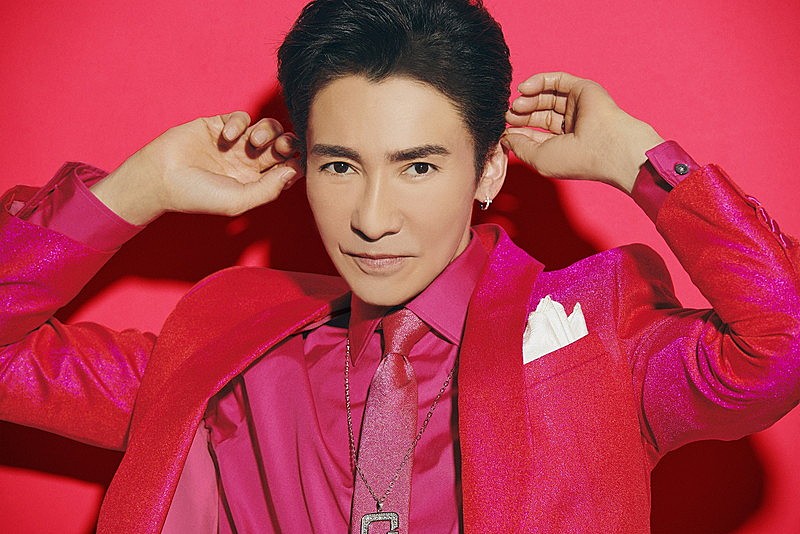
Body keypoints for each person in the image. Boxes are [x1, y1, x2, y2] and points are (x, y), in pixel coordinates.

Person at [1, 0, 798, 532]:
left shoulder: (597, 341)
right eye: (340, 166)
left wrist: (640, 161)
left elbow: (780, 349)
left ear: (489, 170)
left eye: (418, 166)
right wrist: (136, 189)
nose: (372, 219)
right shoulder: (225, 355)